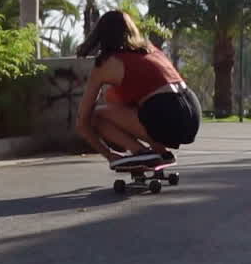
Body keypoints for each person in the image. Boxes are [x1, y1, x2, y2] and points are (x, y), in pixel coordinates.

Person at [74, 10, 201, 165]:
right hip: (193, 115)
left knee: (96, 115)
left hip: (168, 114)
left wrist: (108, 154)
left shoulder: (106, 64)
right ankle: (160, 152)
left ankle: (141, 152)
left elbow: (83, 120)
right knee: (117, 99)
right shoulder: (150, 50)